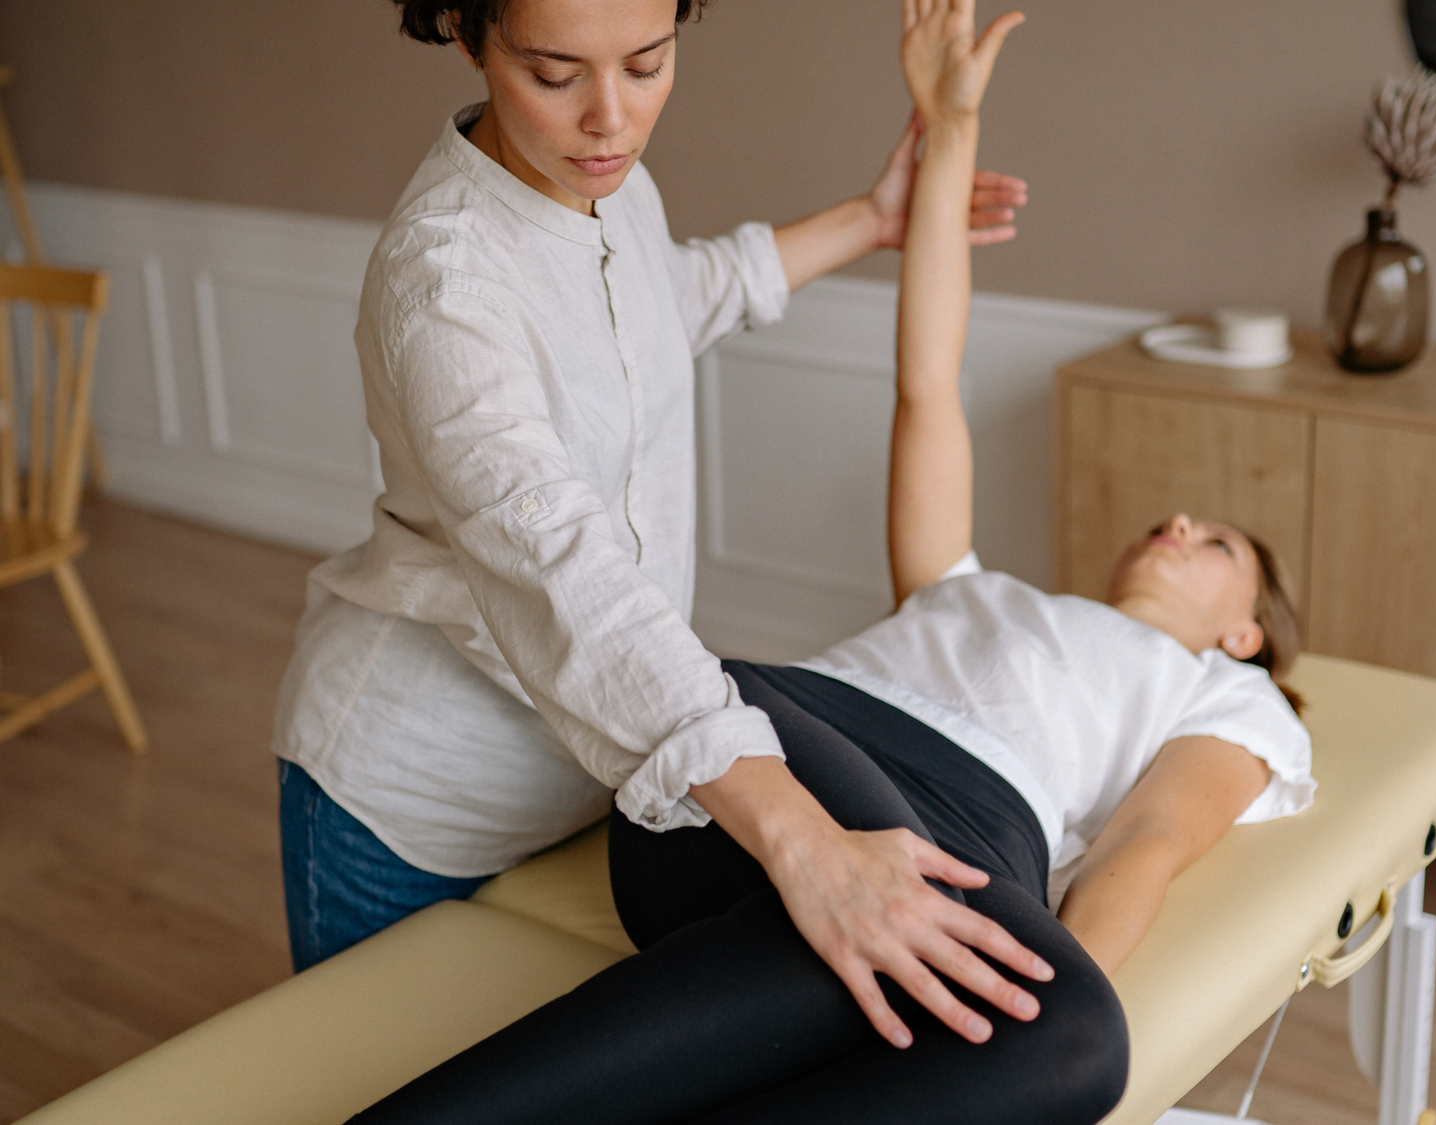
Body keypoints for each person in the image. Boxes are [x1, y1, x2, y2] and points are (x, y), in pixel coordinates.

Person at [346, 3, 1316, 1123]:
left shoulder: (1225, 695)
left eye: (1221, 545)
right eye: (559, 71)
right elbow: (927, 386)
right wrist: (950, 124)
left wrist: (1037, 975)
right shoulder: (967, 585)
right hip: (751, 761)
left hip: (949, 822)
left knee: (1060, 1043)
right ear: (472, 38)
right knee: (1072, 1034)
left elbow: (1146, 846)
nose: (1182, 524)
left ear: (1248, 632)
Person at [272, 0, 1029, 974]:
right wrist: (803, 839)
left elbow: (665, 300)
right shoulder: (447, 287)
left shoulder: (603, 188)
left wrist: (871, 220)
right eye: (555, 74)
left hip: (585, 788)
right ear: (467, 34)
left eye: (647, 63)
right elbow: (560, 565)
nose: (611, 120)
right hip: (410, 810)